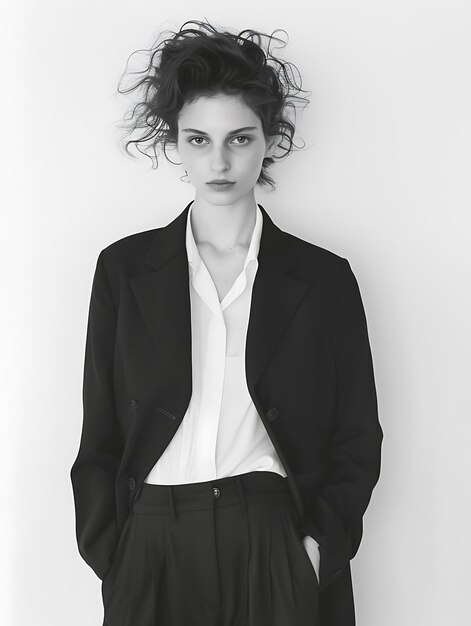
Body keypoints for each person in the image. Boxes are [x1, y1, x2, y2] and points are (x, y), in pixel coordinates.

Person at [70, 18, 383, 626]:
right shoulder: (124, 270)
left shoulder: (323, 281)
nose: (218, 160)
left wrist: (313, 556)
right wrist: (116, 557)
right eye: (197, 139)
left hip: (273, 540)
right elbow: (100, 433)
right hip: (152, 547)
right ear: (175, 142)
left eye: (239, 138)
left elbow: (357, 439)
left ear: (269, 139)